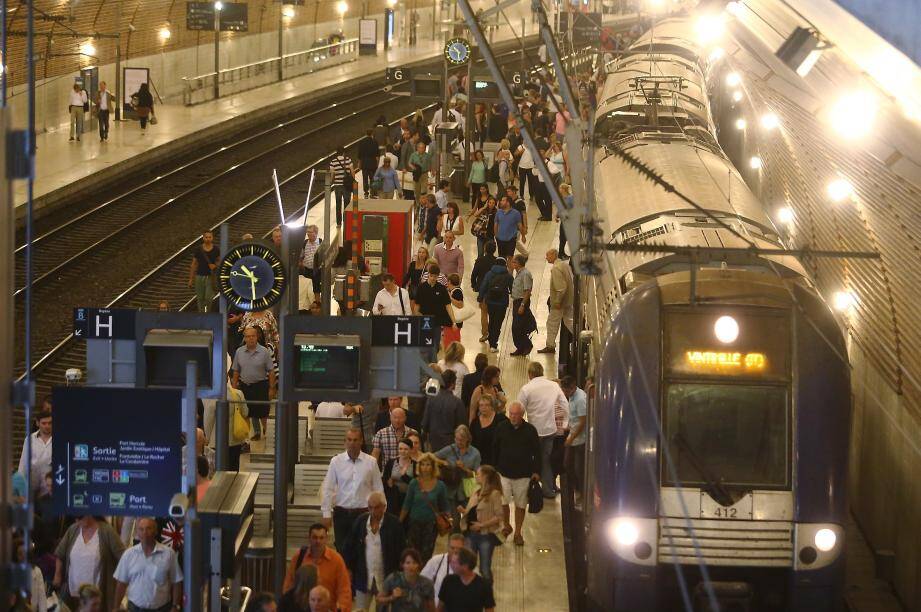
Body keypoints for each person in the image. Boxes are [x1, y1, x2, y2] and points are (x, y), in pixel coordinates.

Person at [320, 428, 384, 549]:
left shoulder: (371, 462)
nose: (352, 443)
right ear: (345, 442)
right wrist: (326, 513)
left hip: (364, 513)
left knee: (362, 551)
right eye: (349, 440)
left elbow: (378, 489)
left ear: (361, 441)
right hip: (342, 513)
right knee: (342, 549)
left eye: (355, 440)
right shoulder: (336, 461)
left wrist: (380, 514)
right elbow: (328, 488)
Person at [342, 492, 405, 611]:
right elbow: (349, 547)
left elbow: (402, 551)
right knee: (360, 610)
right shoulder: (360, 522)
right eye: (370, 507)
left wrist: (399, 576)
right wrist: (348, 568)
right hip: (363, 578)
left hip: (386, 579)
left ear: (384, 507)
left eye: (376, 507)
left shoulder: (394, 524)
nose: (372, 511)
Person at [492, 402, 541, 546]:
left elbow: (537, 452)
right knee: (503, 502)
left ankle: (518, 532)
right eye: (511, 414)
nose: (513, 417)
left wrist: (536, 471)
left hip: (523, 474)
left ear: (522, 415)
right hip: (503, 473)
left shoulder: (530, 430)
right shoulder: (501, 428)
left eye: (516, 414)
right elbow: (495, 448)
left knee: (520, 504)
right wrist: (494, 468)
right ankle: (507, 525)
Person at [518, 361, 569, 498]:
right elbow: (564, 404)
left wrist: (518, 429)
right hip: (550, 430)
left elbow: (519, 411)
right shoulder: (553, 386)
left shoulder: (526, 389)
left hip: (534, 432)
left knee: (531, 460)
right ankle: (548, 491)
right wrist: (565, 424)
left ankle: (528, 490)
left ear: (530, 374)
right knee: (546, 460)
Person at [53, 515, 125, 610]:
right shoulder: (73, 529)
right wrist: (57, 575)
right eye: (76, 518)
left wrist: (119, 581)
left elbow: (123, 557)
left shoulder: (107, 531)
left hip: (96, 595)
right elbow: (60, 553)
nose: (77, 521)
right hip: (73, 592)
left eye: (80, 517)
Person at [112, 517, 182, 612]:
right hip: (134, 609)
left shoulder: (169, 554)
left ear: (155, 532)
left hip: (162, 608)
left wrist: (175, 606)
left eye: (149, 528)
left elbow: (177, 581)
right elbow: (121, 584)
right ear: (137, 533)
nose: (145, 532)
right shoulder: (128, 554)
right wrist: (116, 607)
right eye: (141, 529)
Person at [282, 524, 352, 610]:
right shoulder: (299, 557)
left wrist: (341, 608)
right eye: (315, 537)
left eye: (321, 538)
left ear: (326, 539)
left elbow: (344, 589)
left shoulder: (336, 560)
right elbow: (289, 583)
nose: (318, 541)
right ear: (309, 538)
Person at [400, 454, 450, 563]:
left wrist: (448, 519)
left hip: (431, 525)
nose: (425, 467)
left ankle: (423, 574)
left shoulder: (440, 485)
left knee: (427, 553)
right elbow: (407, 504)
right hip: (414, 523)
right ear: (419, 466)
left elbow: (445, 505)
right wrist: (400, 521)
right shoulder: (414, 483)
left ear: (433, 467)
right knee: (413, 552)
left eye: (428, 464)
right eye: (422, 464)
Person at [458, 466, 504, 583]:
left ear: (485, 476)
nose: (476, 476)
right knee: (468, 565)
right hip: (470, 534)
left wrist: (482, 525)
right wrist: (464, 511)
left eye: (478, 474)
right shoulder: (476, 492)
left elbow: (499, 516)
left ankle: (487, 593)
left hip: (485, 536)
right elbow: (474, 510)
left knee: (485, 569)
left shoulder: (495, 494)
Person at [232, 327, 276, 441]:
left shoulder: (264, 352)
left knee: (263, 411)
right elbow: (236, 371)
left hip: (260, 385)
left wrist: (272, 388)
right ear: (244, 338)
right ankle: (256, 432)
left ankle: (267, 430)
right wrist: (233, 389)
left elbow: (271, 371)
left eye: (253, 336)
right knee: (249, 412)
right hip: (245, 386)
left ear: (257, 337)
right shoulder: (239, 351)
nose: (250, 339)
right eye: (248, 336)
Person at [435, 425, 481, 521]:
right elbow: (433, 456)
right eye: (456, 439)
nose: (458, 442)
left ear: (467, 439)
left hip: (467, 490)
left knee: (471, 519)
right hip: (451, 489)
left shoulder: (475, 453)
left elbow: (476, 475)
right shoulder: (450, 449)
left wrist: (464, 468)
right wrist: (444, 463)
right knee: (454, 521)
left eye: (461, 440)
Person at [537, 249, 574, 355]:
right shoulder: (564, 265)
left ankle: (550, 346)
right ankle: (579, 336)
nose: (546, 257)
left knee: (552, 323)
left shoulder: (556, 269)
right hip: (568, 300)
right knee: (568, 321)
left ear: (554, 255)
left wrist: (557, 301)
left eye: (547, 255)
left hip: (560, 303)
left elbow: (561, 288)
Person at [421, 370, 466, 453]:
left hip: (433, 442)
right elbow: (462, 427)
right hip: (451, 444)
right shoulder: (457, 402)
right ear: (453, 384)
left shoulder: (431, 399)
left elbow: (425, 424)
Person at [412, 263, 456, 341]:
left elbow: (448, 306)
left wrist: (454, 322)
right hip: (425, 320)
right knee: (424, 343)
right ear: (428, 274)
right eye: (431, 276)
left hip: (437, 321)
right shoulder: (421, 288)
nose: (432, 278)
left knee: (436, 344)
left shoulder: (442, 289)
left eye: (435, 276)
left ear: (438, 276)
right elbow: (417, 305)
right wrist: (416, 317)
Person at [477, 257, 512, 353]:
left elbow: (483, 286)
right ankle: (493, 343)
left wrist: (480, 298)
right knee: (498, 323)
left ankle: (491, 340)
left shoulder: (489, 273)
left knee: (492, 321)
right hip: (502, 303)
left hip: (490, 302)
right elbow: (512, 288)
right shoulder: (508, 275)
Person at [421, 534, 465, 608]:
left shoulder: (469, 565)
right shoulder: (436, 561)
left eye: (459, 549)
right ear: (447, 547)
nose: (455, 551)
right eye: (452, 548)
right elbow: (421, 582)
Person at [561, 375, 587, 495]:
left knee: (578, 468)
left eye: (566, 391)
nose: (565, 393)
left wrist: (571, 438)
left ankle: (581, 491)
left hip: (580, 440)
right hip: (573, 436)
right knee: (567, 464)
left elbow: (583, 422)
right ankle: (575, 488)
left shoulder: (580, 400)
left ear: (573, 387)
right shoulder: (571, 395)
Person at [18, 409, 52, 495]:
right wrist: (19, 484)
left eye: (50, 423)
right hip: (34, 482)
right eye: (44, 423)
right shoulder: (29, 439)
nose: (47, 426)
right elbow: (23, 463)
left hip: (52, 482)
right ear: (37, 423)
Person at [469, 396, 508, 468]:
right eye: (481, 405)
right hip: (479, 461)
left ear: (492, 406)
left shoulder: (501, 420)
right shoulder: (475, 423)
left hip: (496, 461)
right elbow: (471, 443)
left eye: (487, 405)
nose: (483, 408)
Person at [509, 254, 536, 356]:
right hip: (517, 301)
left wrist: (522, 305)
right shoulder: (519, 273)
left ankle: (527, 345)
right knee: (517, 327)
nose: (512, 264)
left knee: (517, 327)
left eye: (514, 262)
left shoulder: (525, 274)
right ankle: (520, 348)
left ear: (519, 263)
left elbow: (527, 290)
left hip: (521, 302)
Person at [469, 243, 497, 340]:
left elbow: (474, 274)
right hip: (494, 291)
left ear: (485, 249)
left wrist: (473, 285)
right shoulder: (497, 261)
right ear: (494, 250)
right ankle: (493, 334)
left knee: (484, 313)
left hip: (483, 290)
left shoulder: (480, 260)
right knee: (493, 314)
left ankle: (485, 334)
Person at [382, 438, 417, 514]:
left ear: (411, 450)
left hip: (409, 499)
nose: (403, 451)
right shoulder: (391, 462)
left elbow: (416, 484)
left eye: (406, 449)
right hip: (393, 499)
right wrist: (388, 482)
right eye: (400, 449)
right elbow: (384, 479)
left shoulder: (415, 464)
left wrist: (404, 476)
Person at [189, 230, 219, 312]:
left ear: (212, 238)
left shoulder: (216, 249)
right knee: (200, 298)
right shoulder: (198, 249)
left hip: (210, 276)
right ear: (203, 238)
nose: (208, 239)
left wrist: (215, 266)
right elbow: (194, 264)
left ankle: (208, 312)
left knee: (208, 297)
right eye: (206, 237)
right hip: (199, 276)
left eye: (210, 237)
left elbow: (220, 261)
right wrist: (191, 279)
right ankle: (202, 315)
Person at [329, 146, 354, 226]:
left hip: (337, 185)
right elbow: (352, 171)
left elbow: (332, 174)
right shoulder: (348, 160)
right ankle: (346, 221)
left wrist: (330, 183)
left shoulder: (333, 161)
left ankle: (339, 223)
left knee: (338, 204)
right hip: (347, 186)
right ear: (343, 152)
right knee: (347, 204)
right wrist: (353, 181)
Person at [300, 225, 323, 297]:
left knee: (316, 287)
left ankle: (317, 301)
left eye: (310, 232)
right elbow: (301, 255)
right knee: (307, 287)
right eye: (307, 232)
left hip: (317, 270)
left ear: (315, 233)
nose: (308, 234)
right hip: (306, 270)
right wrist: (301, 263)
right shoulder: (305, 243)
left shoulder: (320, 242)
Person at [409, 141, 432, 206]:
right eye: (420, 148)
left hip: (424, 174)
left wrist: (431, 172)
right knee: (416, 192)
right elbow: (409, 163)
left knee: (423, 191)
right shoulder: (413, 155)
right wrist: (413, 167)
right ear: (417, 148)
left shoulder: (427, 156)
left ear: (425, 148)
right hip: (416, 175)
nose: (421, 149)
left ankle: (423, 204)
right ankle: (418, 204)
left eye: (423, 148)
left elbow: (429, 164)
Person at [358, 129, 380, 196]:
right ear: (372, 134)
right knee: (372, 178)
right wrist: (377, 163)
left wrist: (359, 163)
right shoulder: (375, 142)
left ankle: (366, 192)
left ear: (366, 134)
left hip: (364, 163)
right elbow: (377, 154)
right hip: (372, 163)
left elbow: (359, 154)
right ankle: (373, 192)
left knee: (365, 178)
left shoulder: (362, 142)